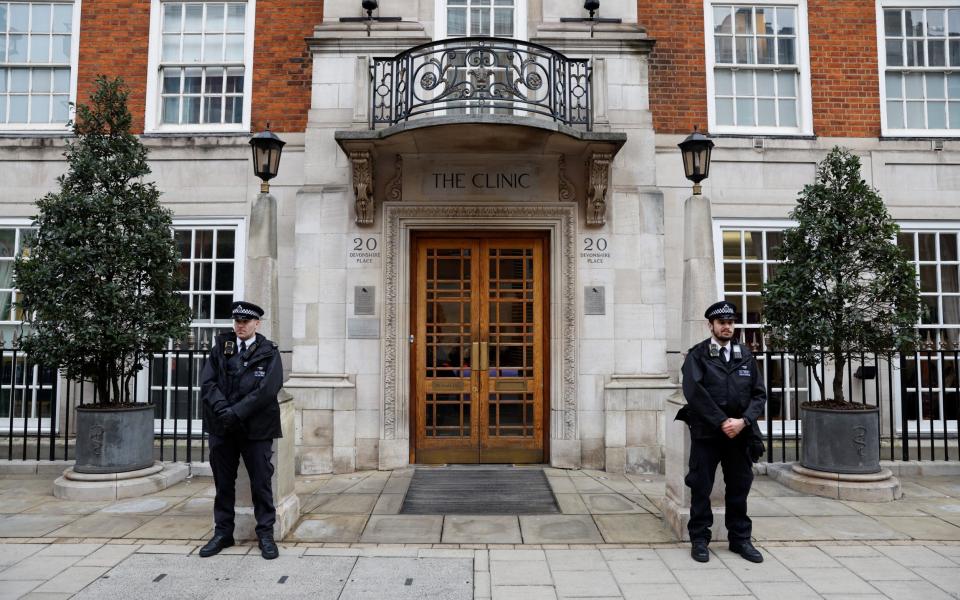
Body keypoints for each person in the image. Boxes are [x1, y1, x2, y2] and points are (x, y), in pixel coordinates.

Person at [678, 300, 765, 564]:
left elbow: (759, 395)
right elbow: (694, 392)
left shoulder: (745, 354)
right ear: (711, 326)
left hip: (739, 434)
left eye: (730, 323)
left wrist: (743, 421)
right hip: (707, 433)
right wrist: (722, 421)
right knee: (701, 486)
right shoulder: (698, 355)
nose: (727, 327)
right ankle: (700, 540)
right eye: (721, 323)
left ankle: (740, 540)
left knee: (739, 487)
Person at [198, 301, 284, 560]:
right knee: (223, 483)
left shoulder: (269, 352)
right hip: (222, 428)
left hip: (256, 428)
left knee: (261, 482)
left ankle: (265, 534)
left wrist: (237, 412)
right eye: (237, 321)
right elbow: (208, 382)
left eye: (245, 322)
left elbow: (267, 390)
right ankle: (223, 532)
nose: (240, 326)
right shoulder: (220, 348)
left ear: (257, 324)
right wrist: (224, 409)